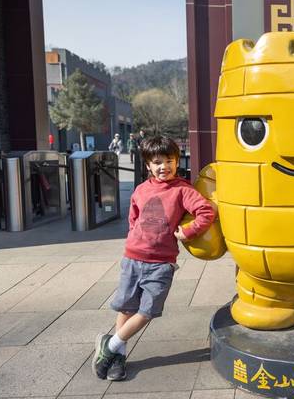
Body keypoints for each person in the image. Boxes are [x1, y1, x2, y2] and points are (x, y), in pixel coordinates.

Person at [92, 135, 216, 381]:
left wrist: (188, 231)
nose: (164, 167)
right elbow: (133, 220)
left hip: (161, 264)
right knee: (127, 307)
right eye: (157, 162)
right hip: (132, 258)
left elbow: (207, 211)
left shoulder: (182, 190)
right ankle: (118, 357)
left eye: (169, 160)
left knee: (147, 311)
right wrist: (133, 241)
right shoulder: (140, 190)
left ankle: (111, 344)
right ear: (148, 165)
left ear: (177, 161)